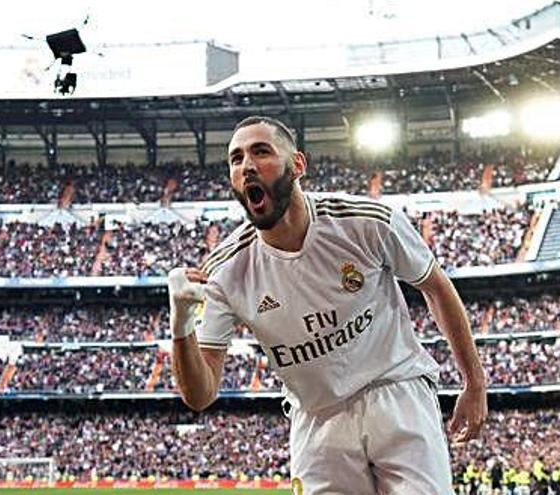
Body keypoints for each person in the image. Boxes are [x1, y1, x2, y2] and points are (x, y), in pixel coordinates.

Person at [167, 115, 488, 494]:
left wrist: (474, 381)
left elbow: (436, 287)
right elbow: (200, 395)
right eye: (236, 159)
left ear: (298, 165)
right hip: (316, 419)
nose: (247, 165)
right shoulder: (225, 272)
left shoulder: (367, 222)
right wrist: (182, 326)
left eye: (261, 151)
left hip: (395, 391)